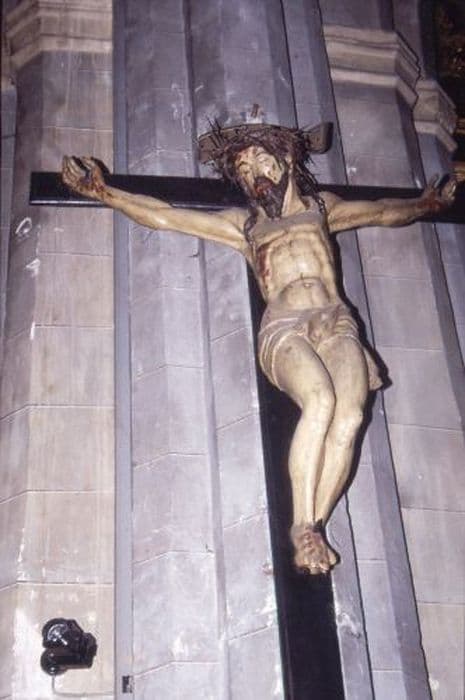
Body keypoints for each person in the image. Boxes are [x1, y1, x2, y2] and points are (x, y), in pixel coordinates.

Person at [62, 122, 456, 575]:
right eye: (245, 171)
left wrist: (425, 204)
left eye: (262, 163)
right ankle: (301, 526)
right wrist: (104, 192)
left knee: (349, 417)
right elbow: (166, 215)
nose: (255, 177)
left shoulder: (320, 208)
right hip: (285, 326)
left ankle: (314, 525)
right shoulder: (245, 226)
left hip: (335, 320)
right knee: (320, 401)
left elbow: (383, 211)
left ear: (286, 161)